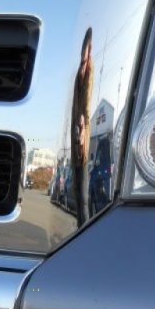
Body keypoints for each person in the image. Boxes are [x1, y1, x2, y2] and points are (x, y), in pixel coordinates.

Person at [70, 28, 94, 225]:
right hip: (76, 144)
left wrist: (84, 125)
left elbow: (86, 110)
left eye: (85, 54)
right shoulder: (79, 79)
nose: (83, 60)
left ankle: (83, 227)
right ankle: (81, 224)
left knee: (84, 198)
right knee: (78, 192)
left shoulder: (88, 77)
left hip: (82, 150)